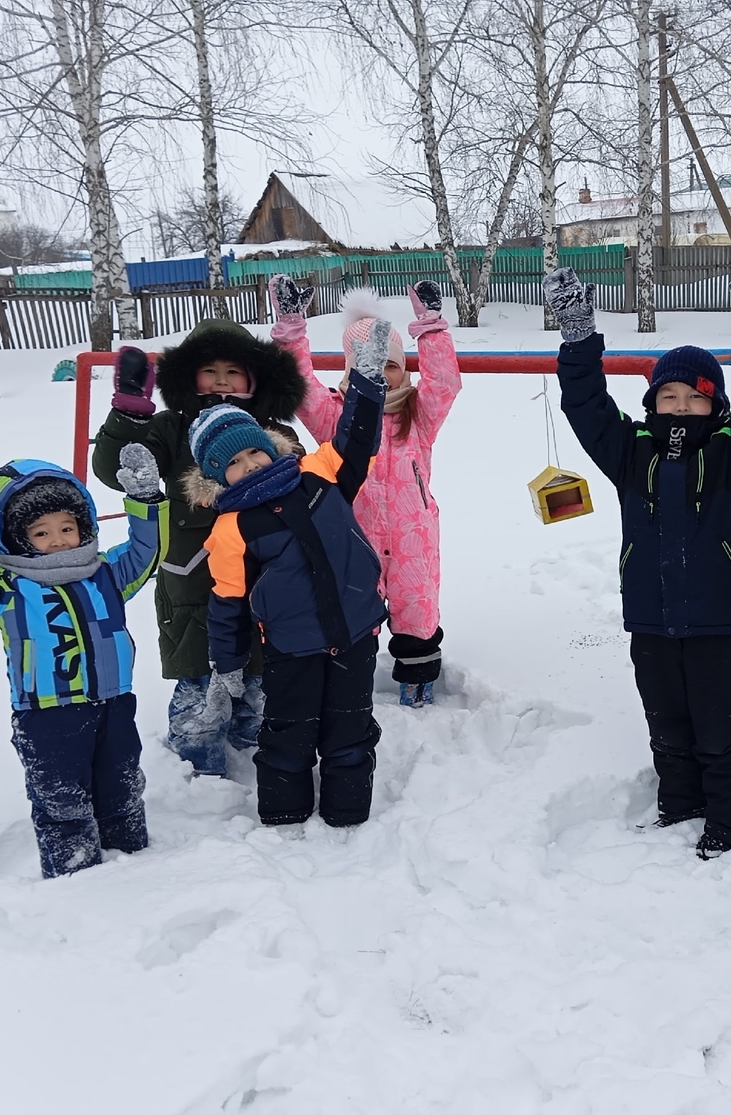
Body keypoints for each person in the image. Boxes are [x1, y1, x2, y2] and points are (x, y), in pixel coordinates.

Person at [543, 263, 731, 859]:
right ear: (653, 401)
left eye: (694, 399)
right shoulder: (632, 453)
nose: (679, 407)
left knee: (721, 723)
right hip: (649, 617)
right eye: (668, 396)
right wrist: (578, 337)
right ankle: (680, 805)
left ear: (715, 406)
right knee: (667, 722)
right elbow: (586, 406)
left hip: (718, 621)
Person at [0, 444, 166, 877]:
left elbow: (145, 552)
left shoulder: (106, 575)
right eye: (42, 533)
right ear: (16, 538)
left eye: (67, 527)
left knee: (121, 787)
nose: (59, 540)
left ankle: (134, 864)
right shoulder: (6, 589)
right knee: (62, 802)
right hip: (47, 717)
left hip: (115, 704)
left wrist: (145, 500)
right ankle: (75, 877)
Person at [184, 319, 395, 829]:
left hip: (354, 633)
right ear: (216, 477)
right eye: (234, 462)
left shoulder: (318, 473)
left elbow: (357, 438)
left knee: (350, 729)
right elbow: (228, 603)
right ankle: (284, 816)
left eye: (255, 449)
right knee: (288, 733)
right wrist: (227, 662)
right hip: (292, 647)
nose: (251, 464)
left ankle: (349, 814)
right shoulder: (232, 529)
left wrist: (366, 382)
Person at [92, 318, 307, 773]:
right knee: (197, 680)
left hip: (266, 580)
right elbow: (121, 471)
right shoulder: (171, 428)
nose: (223, 379)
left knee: (261, 676)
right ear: (189, 376)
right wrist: (130, 419)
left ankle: (255, 757)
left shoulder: (272, 432)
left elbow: (303, 488)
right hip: (191, 581)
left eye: (235, 370)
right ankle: (197, 764)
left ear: (258, 378)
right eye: (211, 370)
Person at [274, 276, 461, 707]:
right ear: (350, 367)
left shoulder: (419, 415)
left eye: (390, 364)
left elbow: (444, 385)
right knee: (353, 616)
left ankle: (418, 687)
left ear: (402, 368)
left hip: (413, 541)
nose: (380, 371)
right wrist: (291, 329)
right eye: (369, 362)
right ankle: (352, 688)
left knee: (417, 616)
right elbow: (300, 386)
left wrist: (431, 328)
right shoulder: (333, 417)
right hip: (354, 541)